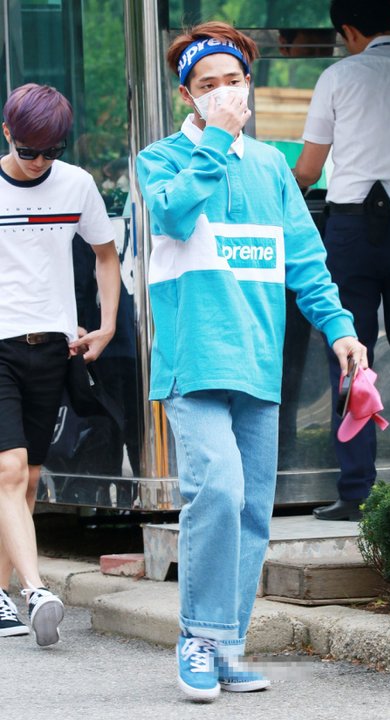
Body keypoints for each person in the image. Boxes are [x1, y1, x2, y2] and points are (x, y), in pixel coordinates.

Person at [136, 21, 367, 703]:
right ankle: (198, 638)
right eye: (208, 85)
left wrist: (341, 330)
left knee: (251, 510)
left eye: (233, 81)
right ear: (187, 95)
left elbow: (306, 260)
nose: (224, 93)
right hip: (193, 362)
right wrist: (213, 142)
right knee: (217, 490)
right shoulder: (161, 159)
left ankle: (226, 645)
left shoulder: (271, 168)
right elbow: (173, 218)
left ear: (250, 83)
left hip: (259, 364)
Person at [294, 0, 390, 521]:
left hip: (351, 230)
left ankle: (356, 491)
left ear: (347, 30)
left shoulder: (338, 77)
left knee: (349, 354)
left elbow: (308, 169)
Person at [0, 83, 120, 644]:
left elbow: (105, 255)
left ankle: (1, 594)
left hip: (52, 347)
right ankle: (36, 589)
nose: (40, 162)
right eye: (29, 150)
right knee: (8, 470)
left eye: (52, 151)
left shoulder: (76, 184)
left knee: (27, 481)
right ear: (7, 133)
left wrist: (107, 324)